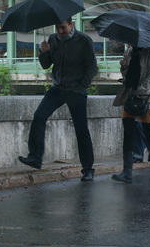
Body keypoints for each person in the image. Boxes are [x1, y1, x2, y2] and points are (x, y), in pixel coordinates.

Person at [18, 19, 100, 181]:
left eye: (63, 28)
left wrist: (81, 87)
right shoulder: (53, 39)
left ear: (71, 24)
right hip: (58, 88)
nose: (60, 31)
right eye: (57, 28)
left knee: (81, 129)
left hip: (76, 89)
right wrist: (43, 52)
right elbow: (45, 65)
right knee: (39, 116)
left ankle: (88, 169)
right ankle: (35, 157)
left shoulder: (84, 40)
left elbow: (92, 67)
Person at [111, 45, 150, 183]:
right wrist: (124, 67)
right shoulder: (129, 51)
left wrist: (140, 89)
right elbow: (127, 76)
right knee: (128, 134)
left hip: (147, 98)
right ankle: (127, 171)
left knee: (149, 133)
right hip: (130, 97)